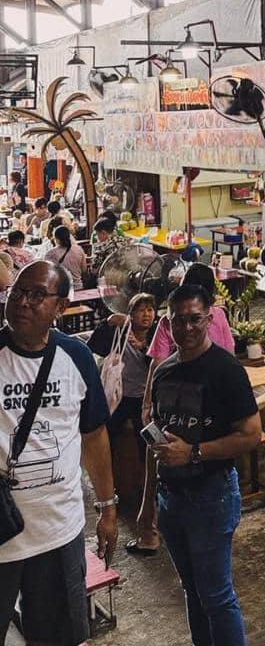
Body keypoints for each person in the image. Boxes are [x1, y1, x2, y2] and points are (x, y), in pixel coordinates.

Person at [0, 261, 117, 645]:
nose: (22, 302)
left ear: (60, 308)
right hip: (2, 534)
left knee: (58, 638)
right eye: (17, 291)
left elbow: (94, 434)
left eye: (37, 296)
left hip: (57, 531)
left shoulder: (76, 359)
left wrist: (107, 507)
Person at [137, 284, 260, 646]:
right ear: (167, 323)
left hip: (212, 496)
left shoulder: (226, 371)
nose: (187, 328)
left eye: (195, 320)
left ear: (209, 319)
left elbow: (252, 435)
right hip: (169, 498)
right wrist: (147, 506)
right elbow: (154, 442)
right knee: (192, 590)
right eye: (178, 321)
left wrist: (193, 452)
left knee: (217, 596)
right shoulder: (163, 372)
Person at [89, 293, 160, 555]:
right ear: (130, 313)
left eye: (150, 309)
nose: (147, 315)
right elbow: (95, 345)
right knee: (105, 441)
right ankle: (108, 494)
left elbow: (159, 361)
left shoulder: (155, 336)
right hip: (120, 398)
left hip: (145, 400)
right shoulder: (120, 331)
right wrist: (109, 323)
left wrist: (142, 348)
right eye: (141, 310)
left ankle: (150, 495)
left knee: (149, 448)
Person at [142, 263, 234, 423]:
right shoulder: (219, 314)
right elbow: (230, 354)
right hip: (217, 392)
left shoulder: (170, 320)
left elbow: (157, 364)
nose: (188, 327)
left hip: (181, 399)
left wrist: (147, 404)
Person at [45, 224, 89, 290]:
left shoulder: (50, 253)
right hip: (78, 287)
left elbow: (48, 275)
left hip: (61, 291)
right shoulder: (79, 249)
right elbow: (84, 270)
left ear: (56, 239)